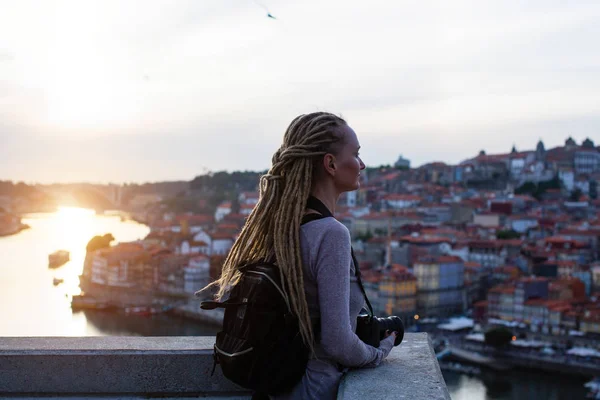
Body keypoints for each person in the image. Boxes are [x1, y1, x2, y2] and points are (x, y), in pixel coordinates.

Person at [209, 112, 397, 400]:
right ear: (330, 164)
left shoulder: (282, 226)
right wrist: (377, 353)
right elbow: (336, 342)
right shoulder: (330, 234)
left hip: (278, 387)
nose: (362, 164)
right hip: (316, 388)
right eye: (356, 154)